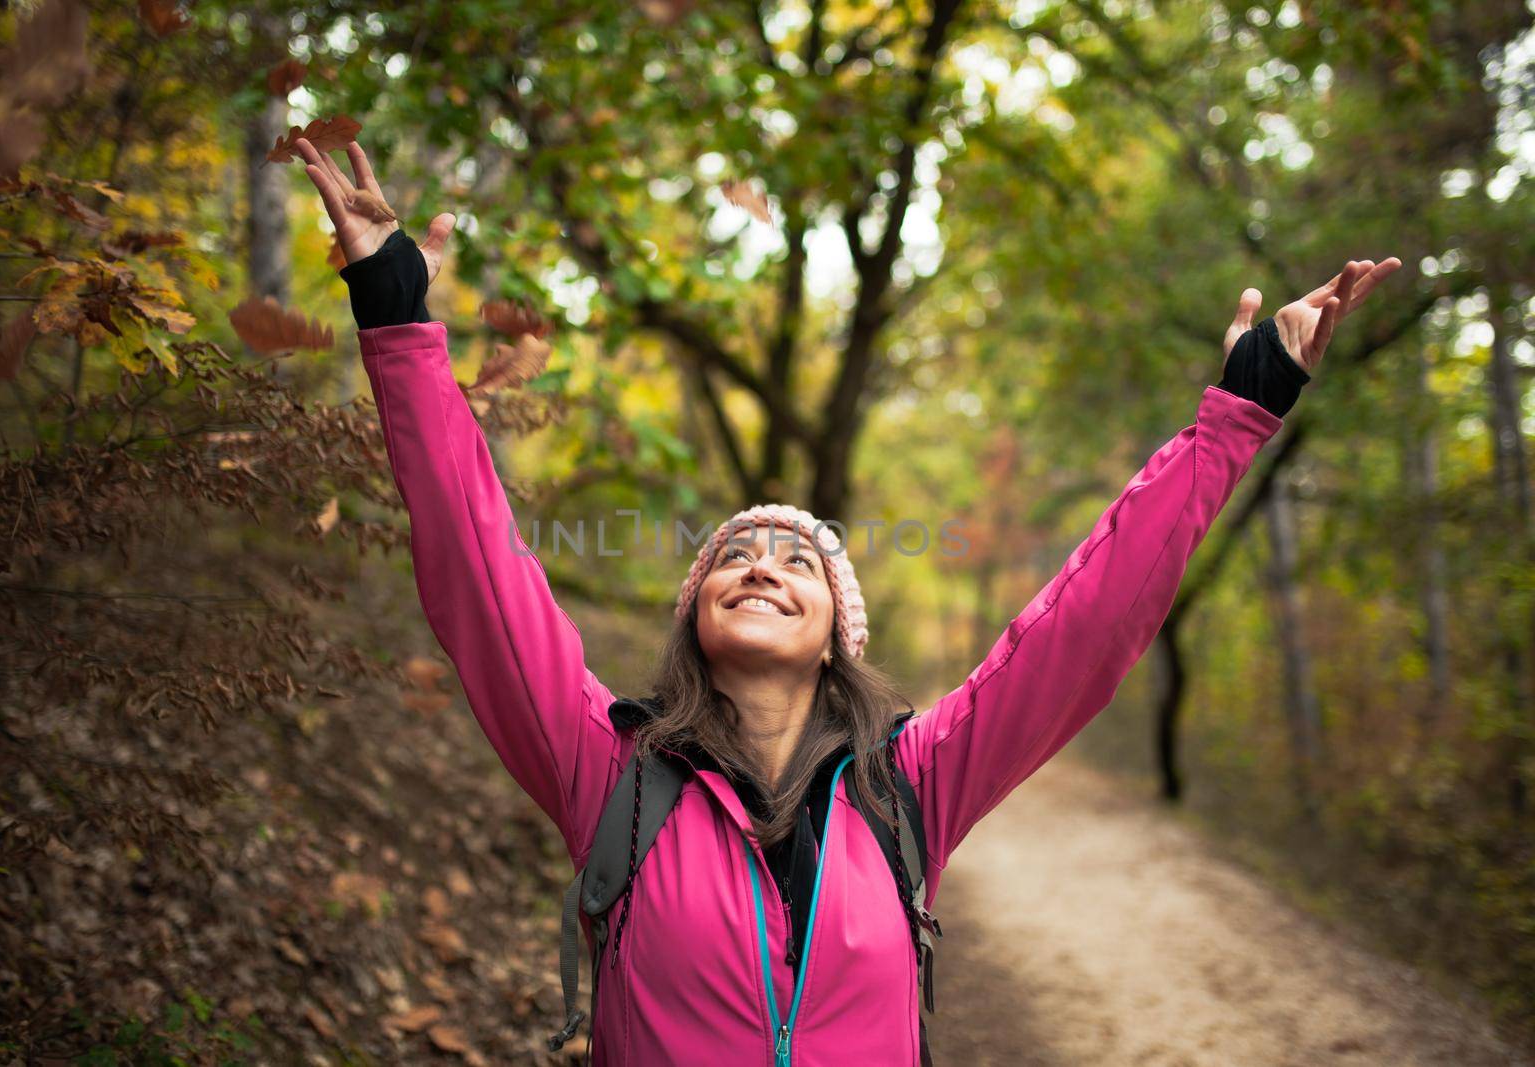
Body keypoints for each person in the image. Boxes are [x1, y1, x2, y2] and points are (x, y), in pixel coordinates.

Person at [294, 135, 1401, 1066]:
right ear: (693, 618)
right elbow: (476, 565)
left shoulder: (912, 784)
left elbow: (1083, 623)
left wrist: (1233, 418)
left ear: (837, 632)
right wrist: (395, 317)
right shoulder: (610, 776)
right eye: (734, 554)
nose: (763, 561)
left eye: (797, 556)